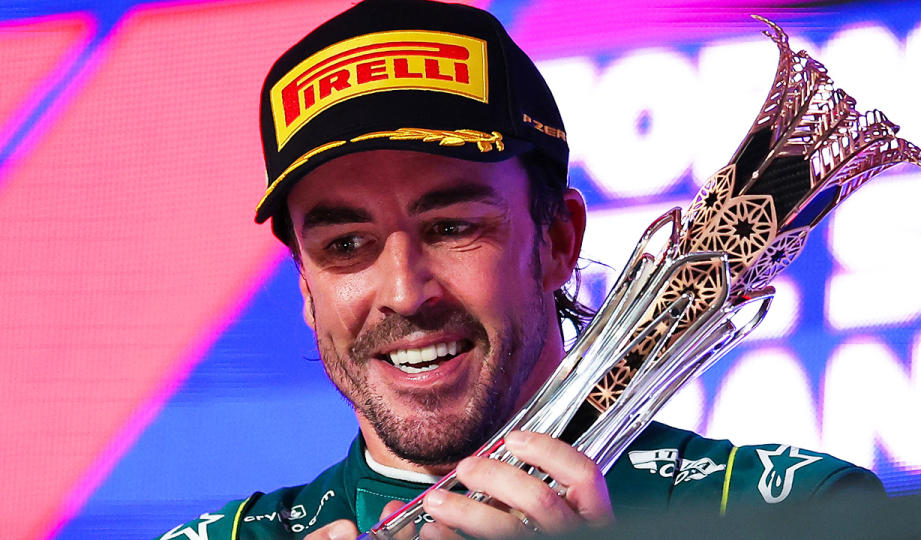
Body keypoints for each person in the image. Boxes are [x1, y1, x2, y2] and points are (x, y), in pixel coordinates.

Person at [156, 0, 883, 538]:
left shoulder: (790, 511)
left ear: (558, 240)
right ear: (306, 288)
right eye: (346, 245)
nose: (406, 292)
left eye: (451, 228)